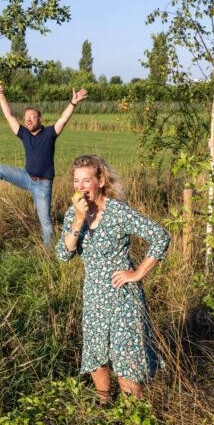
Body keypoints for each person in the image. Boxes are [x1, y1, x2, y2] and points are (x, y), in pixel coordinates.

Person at [55, 155, 169, 403]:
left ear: (101, 181)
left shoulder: (118, 211)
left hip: (123, 296)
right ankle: (105, 410)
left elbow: (160, 236)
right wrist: (78, 219)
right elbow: (64, 255)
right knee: (97, 357)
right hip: (94, 297)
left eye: (87, 180)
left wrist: (137, 273)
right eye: (76, 181)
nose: (81, 186)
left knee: (126, 358)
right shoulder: (72, 214)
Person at [0, 79, 88, 247]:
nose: (28, 120)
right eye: (26, 118)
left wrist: (73, 102)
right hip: (26, 177)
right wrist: (0, 93)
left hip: (43, 185)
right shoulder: (24, 134)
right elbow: (9, 115)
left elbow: (63, 120)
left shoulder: (50, 133)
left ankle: (49, 255)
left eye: (32, 117)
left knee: (46, 223)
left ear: (40, 119)